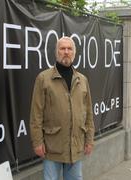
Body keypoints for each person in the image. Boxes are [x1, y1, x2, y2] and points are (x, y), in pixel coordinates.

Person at [30, 36, 95, 180]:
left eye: (69, 49)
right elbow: (36, 114)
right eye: (62, 48)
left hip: (76, 146)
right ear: (56, 52)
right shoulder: (44, 78)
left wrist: (89, 139)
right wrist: (37, 142)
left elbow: (89, 112)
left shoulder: (82, 80)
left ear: (74, 53)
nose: (66, 52)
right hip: (53, 145)